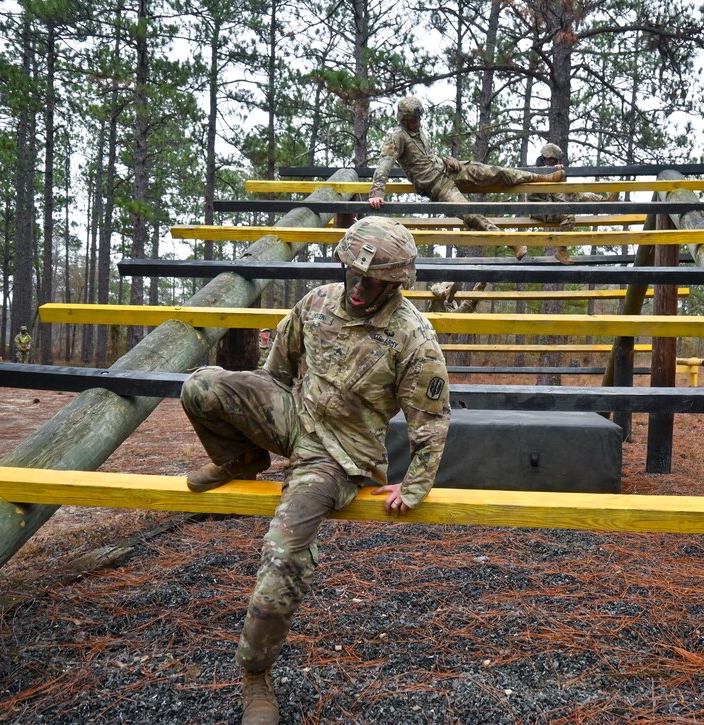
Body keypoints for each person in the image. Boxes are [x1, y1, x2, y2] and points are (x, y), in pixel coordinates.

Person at [179, 216, 451, 724]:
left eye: (371, 280)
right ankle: (241, 459)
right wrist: (256, 422)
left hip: (338, 455)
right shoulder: (319, 303)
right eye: (352, 273)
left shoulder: (413, 337)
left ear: (395, 283)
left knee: (284, 553)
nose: (358, 285)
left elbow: (431, 422)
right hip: (293, 416)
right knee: (201, 386)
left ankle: (255, 674)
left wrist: (416, 484)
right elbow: (276, 372)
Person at [368, 96, 565, 261]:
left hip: (450, 168)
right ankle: (511, 242)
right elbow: (385, 162)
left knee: (494, 172)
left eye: (418, 119)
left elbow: (425, 157)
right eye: (413, 120)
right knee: (472, 214)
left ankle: (542, 177)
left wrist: (445, 159)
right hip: (438, 185)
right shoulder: (398, 136)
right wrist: (377, 192)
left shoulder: (419, 131)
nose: (418, 123)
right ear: (403, 119)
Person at [528, 142, 619, 264]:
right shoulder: (534, 171)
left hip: (552, 201)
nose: (555, 163)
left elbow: (559, 190)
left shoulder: (550, 170)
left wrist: (559, 175)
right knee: (569, 217)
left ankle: (605, 202)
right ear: (547, 159)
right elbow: (544, 184)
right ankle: (561, 250)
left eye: (556, 161)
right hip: (541, 209)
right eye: (553, 160)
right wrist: (555, 172)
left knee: (576, 194)